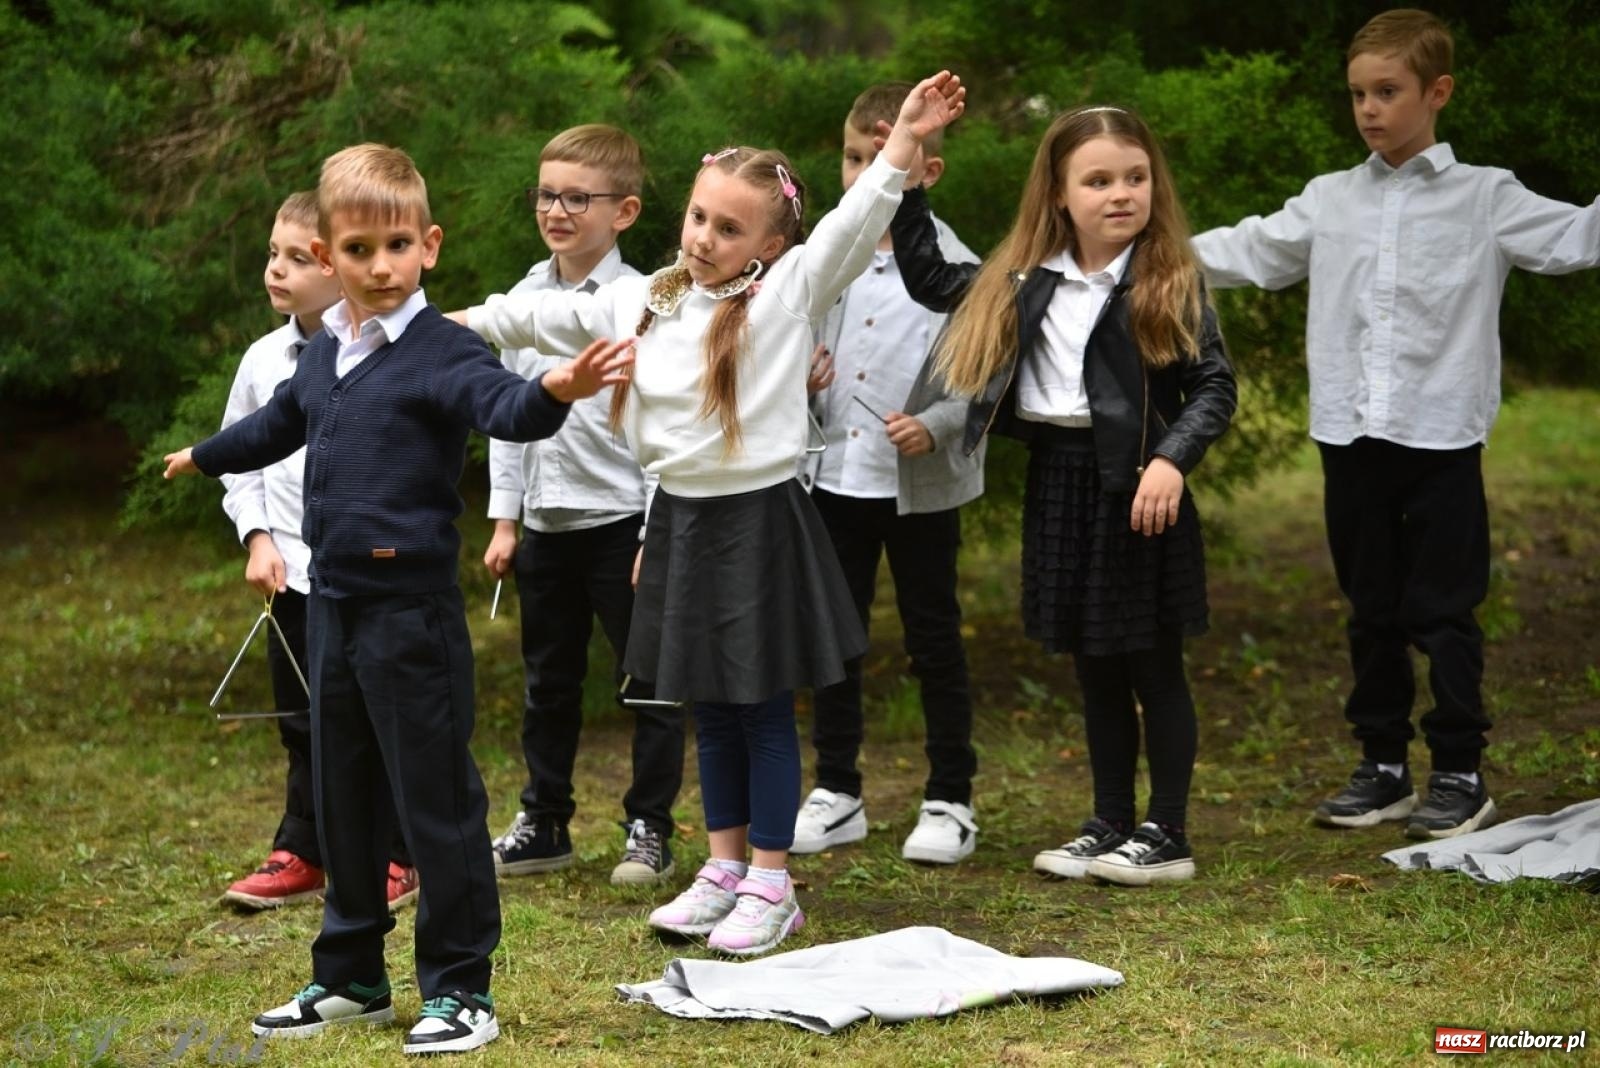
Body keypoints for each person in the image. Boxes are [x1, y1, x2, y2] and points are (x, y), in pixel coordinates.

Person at [456, 72, 966, 952]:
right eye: (699, 217)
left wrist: (902, 144)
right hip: (681, 523)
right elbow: (531, 318)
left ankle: (772, 881)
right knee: (711, 708)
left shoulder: (787, 292)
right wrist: (433, 321)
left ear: (771, 243)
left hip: (758, 523)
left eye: (730, 229)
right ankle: (724, 868)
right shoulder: (646, 297)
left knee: (759, 706)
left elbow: (853, 224)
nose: (704, 238)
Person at [163, 143, 634, 1054]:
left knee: (435, 805)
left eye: (398, 247)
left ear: (430, 246)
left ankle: (460, 989)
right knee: (343, 796)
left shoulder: (442, 351)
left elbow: (503, 406)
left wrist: (555, 390)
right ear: (328, 256)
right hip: (331, 604)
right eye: (359, 250)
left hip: (410, 615)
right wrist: (206, 454)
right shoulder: (323, 353)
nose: (380, 267)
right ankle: (351, 977)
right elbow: (276, 424)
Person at [1192, 8, 1600, 839]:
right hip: (1349, 437)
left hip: (1442, 437)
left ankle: (1459, 772)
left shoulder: (1487, 196)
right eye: (1357, 95)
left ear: (1437, 92)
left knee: (1444, 610)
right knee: (1370, 606)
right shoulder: (1331, 199)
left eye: (1388, 92)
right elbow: (1251, 249)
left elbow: (1576, 237)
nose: (1369, 110)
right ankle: (1382, 767)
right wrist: (1146, 253)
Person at [890, 104, 1236, 885]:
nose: (1121, 194)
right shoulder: (1023, 278)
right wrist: (908, 187)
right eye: (1099, 180)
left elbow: (1214, 386)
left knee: (1152, 663)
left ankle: (1166, 831)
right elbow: (932, 280)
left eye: (1136, 178)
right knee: (1092, 662)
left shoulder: (1168, 278)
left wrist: (1172, 460)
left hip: (1139, 487)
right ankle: (1109, 820)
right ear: (1058, 193)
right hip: (1061, 482)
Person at [480, 125, 686, 887]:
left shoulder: (646, 304)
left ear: (623, 212)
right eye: (546, 195)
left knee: (650, 681)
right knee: (548, 683)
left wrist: (656, 530)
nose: (556, 211)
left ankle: (649, 826)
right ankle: (545, 821)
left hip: (623, 523)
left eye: (577, 198)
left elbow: (667, 426)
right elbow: (506, 417)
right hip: (546, 525)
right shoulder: (520, 300)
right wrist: (506, 519)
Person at [792, 83, 984, 865]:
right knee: (835, 639)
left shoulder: (959, 266)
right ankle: (837, 789)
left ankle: (950, 797)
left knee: (933, 638)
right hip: (835, 480)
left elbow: (981, 374)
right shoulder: (822, 261)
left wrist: (934, 425)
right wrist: (803, 382)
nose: (866, 172)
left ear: (927, 171)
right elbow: (786, 349)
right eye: (855, 158)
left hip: (918, 489)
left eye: (888, 159)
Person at [217, 190, 419, 913]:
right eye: (273, 254)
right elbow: (241, 459)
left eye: (298, 259)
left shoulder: (385, 354)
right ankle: (304, 847)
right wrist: (258, 537)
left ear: (337, 268)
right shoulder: (262, 359)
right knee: (301, 720)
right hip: (291, 577)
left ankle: (399, 853)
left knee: (379, 718)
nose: (277, 270)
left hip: (367, 579)